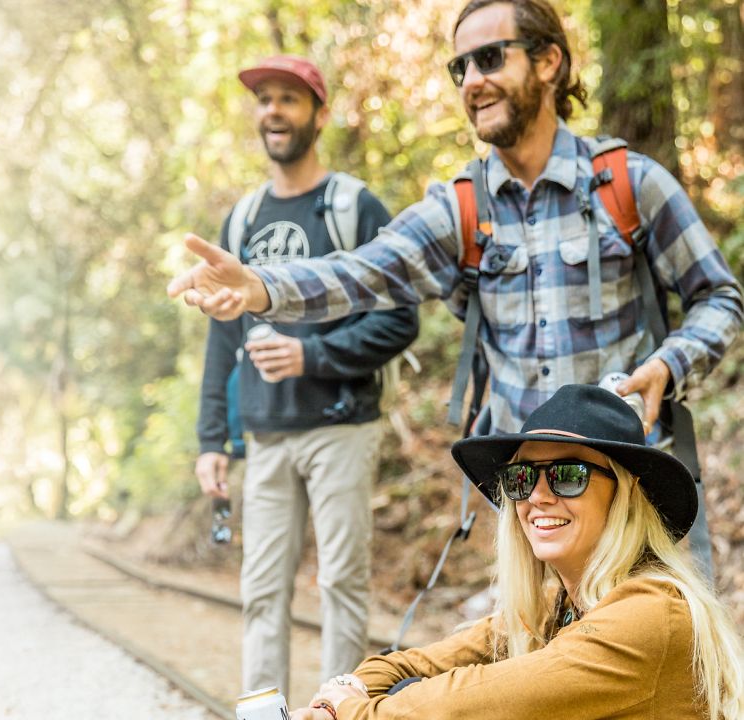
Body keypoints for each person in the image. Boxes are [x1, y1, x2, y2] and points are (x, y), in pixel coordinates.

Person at [167, 0, 742, 574]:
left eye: (489, 58)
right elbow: (363, 270)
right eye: (460, 68)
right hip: (529, 510)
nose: (473, 81)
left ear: (548, 62)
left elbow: (719, 297)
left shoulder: (629, 184)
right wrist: (259, 285)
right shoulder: (461, 208)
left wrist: (670, 365)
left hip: (630, 495)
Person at [285, 383, 744, 718]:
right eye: (521, 479)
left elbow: (469, 705)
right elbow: (413, 664)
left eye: (568, 475)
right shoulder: (555, 607)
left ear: (625, 494)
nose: (538, 497)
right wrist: (344, 694)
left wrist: (353, 712)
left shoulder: (650, 615)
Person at [193, 55, 419, 694]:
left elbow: (401, 320)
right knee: (260, 591)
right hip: (264, 436)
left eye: (289, 99)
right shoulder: (241, 220)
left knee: (342, 585)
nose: (273, 111)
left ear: (319, 115)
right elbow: (222, 335)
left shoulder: (352, 207)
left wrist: (310, 356)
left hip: (340, 428)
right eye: (265, 99)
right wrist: (214, 438)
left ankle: (339, 711)